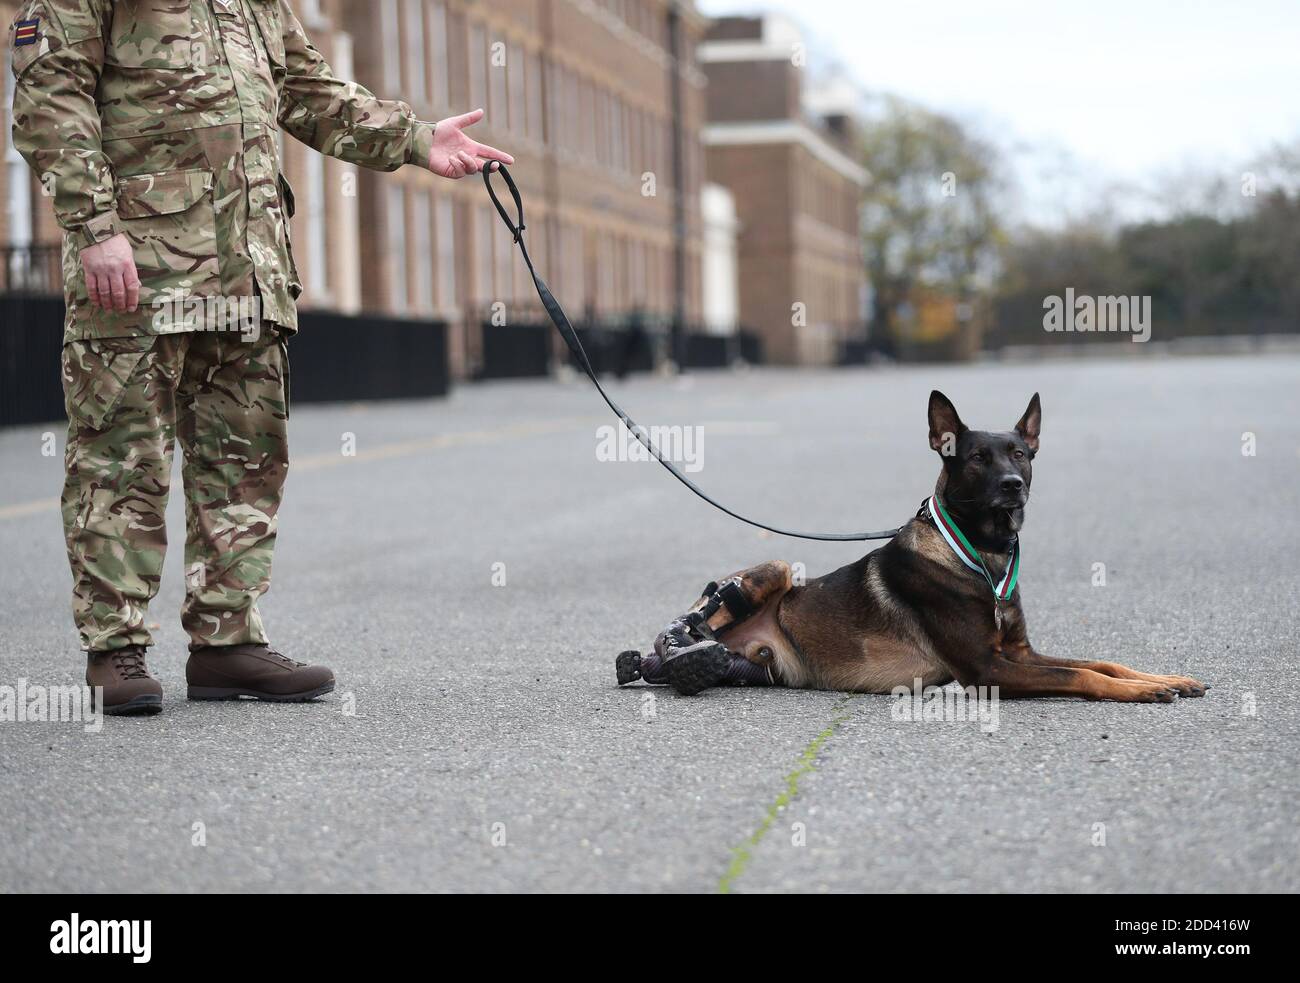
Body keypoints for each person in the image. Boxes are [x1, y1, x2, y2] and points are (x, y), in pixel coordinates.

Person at [9, 0, 512, 715]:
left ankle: (226, 640)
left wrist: (415, 138)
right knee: (122, 462)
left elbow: (308, 93)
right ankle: (115, 648)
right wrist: (94, 226)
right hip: (139, 274)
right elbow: (50, 90)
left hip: (248, 274)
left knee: (246, 461)